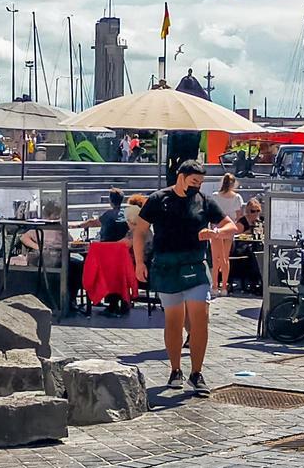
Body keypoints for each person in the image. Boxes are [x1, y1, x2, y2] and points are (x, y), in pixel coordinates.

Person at [130, 161, 227, 396]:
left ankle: (197, 372)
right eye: (194, 181)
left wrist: (216, 233)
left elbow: (229, 225)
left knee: (200, 318)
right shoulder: (158, 199)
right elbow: (140, 231)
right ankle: (175, 370)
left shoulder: (204, 201)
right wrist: (140, 262)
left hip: (195, 265)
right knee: (173, 320)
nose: (197, 186)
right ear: (181, 177)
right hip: (167, 266)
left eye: (200, 182)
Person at [82, 189, 137, 314]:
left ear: (110, 201)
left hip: (106, 257)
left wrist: (80, 225)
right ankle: (124, 301)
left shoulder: (107, 215)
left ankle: (110, 303)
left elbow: (94, 222)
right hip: (122, 258)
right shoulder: (125, 215)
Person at [209, 174, 246, 293]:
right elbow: (239, 215)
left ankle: (215, 286)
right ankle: (224, 287)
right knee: (225, 258)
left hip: (216, 229)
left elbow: (211, 213)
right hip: (229, 229)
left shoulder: (215, 196)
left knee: (216, 259)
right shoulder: (237, 197)